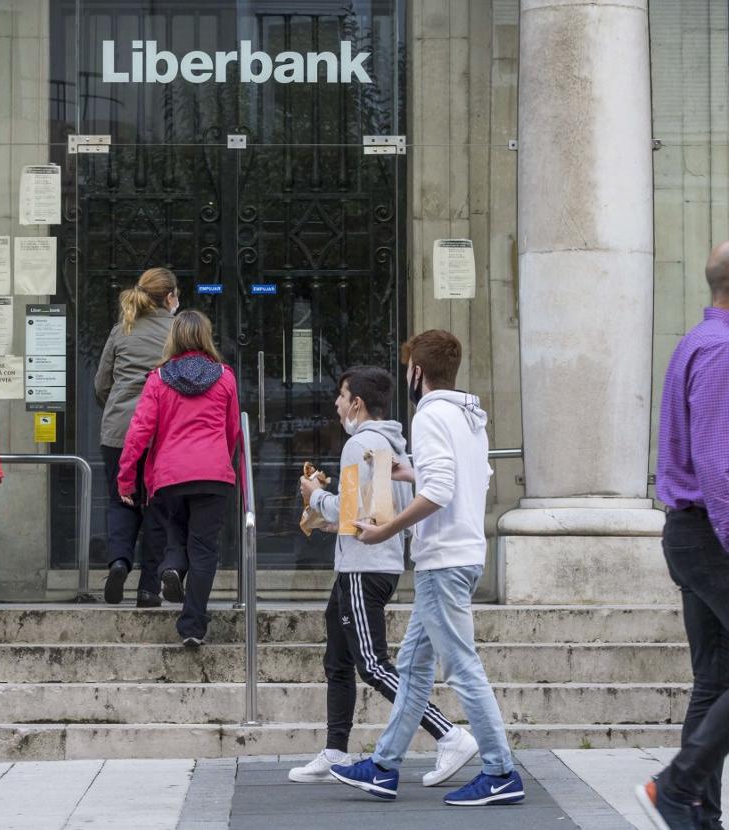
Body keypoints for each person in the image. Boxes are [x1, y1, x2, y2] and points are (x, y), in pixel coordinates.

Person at [328, 330, 525, 807]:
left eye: (408, 368)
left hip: (443, 560)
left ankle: (500, 771)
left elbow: (439, 491)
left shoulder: (431, 414)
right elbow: (469, 477)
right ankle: (383, 766)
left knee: (462, 668)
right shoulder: (468, 415)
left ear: (417, 370)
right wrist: (408, 472)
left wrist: (387, 528)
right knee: (414, 670)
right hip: (461, 554)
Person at [287, 367, 477, 786]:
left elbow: (355, 514)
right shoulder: (394, 444)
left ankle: (450, 735)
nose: (336, 403)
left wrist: (314, 496)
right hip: (373, 564)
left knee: (371, 664)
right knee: (337, 660)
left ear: (356, 403)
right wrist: (327, 514)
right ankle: (335, 750)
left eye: (341, 395)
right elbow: (378, 510)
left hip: (363, 567)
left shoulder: (361, 445)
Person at [636, 241, 729, 830]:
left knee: (714, 680)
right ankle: (677, 785)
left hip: (691, 533)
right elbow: (721, 467)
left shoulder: (698, 342)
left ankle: (699, 815)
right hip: (712, 533)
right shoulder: (722, 350)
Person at [117, 310, 240, 647]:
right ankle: (192, 626)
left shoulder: (158, 379)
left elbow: (139, 432)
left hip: (169, 475)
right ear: (205, 337)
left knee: (175, 533)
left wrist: (126, 478)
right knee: (204, 549)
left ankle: (171, 567)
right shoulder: (225, 377)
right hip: (212, 474)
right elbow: (233, 430)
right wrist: (226, 464)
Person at [95, 267, 179, 606]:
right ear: (170, 297)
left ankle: (118, 562)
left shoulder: (122, 329)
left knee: (121, 500)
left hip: (117, 431)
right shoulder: (179, 331)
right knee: (158, 508)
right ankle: (148, 588)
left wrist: (116, 405)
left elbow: (101, 383)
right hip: (163, 434)